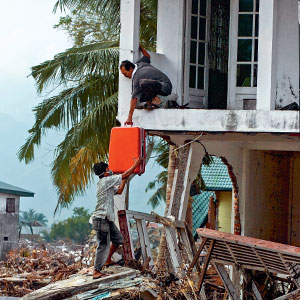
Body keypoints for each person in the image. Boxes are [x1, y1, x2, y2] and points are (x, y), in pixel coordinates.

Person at [91, 157, 142, 279]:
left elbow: (119, 191)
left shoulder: (106, 184)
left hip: (106, 218)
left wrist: (126, 178)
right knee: (103, 245)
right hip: (101, 218)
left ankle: (107, 259)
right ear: (105, 171)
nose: (110, 170)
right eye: (108, 168)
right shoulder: (105, 181)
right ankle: (96, 271)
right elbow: (124, 175)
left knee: (119, 240)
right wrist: (135, 164)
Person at [120, 46, 172, 126]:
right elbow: (147, 56)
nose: (125, 76)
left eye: (125, 73)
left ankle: (158, 100)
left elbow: (134, 99)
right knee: (142, 96)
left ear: (130, 69)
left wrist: (129, 117)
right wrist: (140, 47)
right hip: (160, 84)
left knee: (143, 83)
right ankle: (152, 101)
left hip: (165, 87)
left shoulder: (137, 77)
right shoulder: (139, 64)